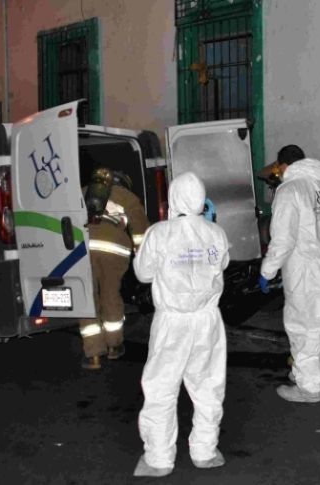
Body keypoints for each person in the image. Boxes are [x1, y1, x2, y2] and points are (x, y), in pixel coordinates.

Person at [133, 171, 230, 477]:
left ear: (173, 198)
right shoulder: (216, 234)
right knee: (208, 386)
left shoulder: (159, 234)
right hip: (207, 321)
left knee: (161, 387)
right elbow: (221, 263)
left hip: (172, 322)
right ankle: (205, 451)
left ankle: (159, 458)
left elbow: (143, 273)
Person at [258, 145, 320, 403]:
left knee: (303, 327)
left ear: (284, 165)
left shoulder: (289, 190)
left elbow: (282, 239)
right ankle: (310, 373)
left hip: (305, 268)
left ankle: (309, 388)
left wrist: (267, 270)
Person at [80, 168, 149, 370]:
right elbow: (140, 229)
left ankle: (93, 354)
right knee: (110, 295)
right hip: (114, 250)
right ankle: (114, 346)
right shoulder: (128, 197)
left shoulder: (83, 191)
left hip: (83, 249)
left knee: (87, 298)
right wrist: (141, 253)